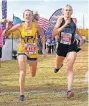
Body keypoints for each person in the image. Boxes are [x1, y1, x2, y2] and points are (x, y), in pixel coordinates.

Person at [4, 9, 45, 101]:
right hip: (22, 49)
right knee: (22, 72)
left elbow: (42, 36)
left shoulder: (36, 26)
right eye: (26, 15)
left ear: (32, 17)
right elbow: (6, 34)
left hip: (33, 51)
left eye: (29, 15)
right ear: (23, 17)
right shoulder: (19, 26)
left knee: (33, 74)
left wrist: (43, 47)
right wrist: (7, 28)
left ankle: (31, 64)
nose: (28, 16)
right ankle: (21, 95)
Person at [52, 5, 85, 98]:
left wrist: (81, 38)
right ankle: (58, 66)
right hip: (61, 47)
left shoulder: (73, 22)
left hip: (72, 46)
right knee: (57, 66)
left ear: (72, 12)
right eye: (66, 10)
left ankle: (69, 90)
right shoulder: (60, 20)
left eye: (70, 10)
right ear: (63, 12)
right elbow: (54, 33)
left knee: (70, 66)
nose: (68, 12)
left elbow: (76, 30)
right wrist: (65, 25)